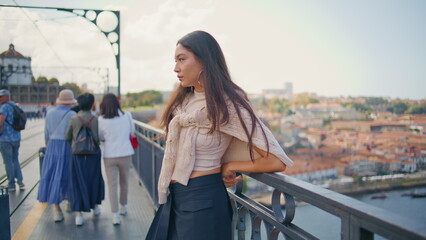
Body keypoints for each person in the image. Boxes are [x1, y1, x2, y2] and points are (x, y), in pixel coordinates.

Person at [145, 31, 294, 239]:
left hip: (203, 202)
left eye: (181, 59)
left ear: (204, 60)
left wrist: (231, 166)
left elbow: (276, 161)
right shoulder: (184, 101)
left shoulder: (228, 105)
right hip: (175, 199)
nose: (175, 68)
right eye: (175, 60)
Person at [65, 93, 105, 226]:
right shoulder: (95, 119)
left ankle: (79, 215)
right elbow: (98, 138)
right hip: (94, 154)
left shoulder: (74, 118)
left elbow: (67, 137)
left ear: (79, 104)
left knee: (77, 181)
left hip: (77, 154)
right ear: (91, 104)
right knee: (93, 179)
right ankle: (95, 206)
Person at [37, 89, 77, 222]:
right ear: (70, 102)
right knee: (68, 174)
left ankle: (57, 210)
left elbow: (46, 133)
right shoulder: (72, 114)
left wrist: (49, 145)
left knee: (53, 175)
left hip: (52, 146)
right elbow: (73, 135)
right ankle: (69, 202)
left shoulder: (50, 113)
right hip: (67, 146)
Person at [98, 93, 135, 225]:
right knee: (124, 182)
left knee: (112, 185)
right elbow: (132, 132)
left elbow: (100, 137)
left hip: (109, 156)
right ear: (117, 103)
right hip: (125, 153)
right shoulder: (127, 116)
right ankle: (123, 206)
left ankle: (115, 215)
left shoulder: (101, 120)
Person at [0, 89, 25, 192]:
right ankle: (20, 181)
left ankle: (11, 184)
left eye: (1, 97)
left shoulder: (4, 107)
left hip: (5, 139)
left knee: (8, 161)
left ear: (6, 97)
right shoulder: (15, 105)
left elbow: (1, 122)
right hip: (16, 138)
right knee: (15, 160)